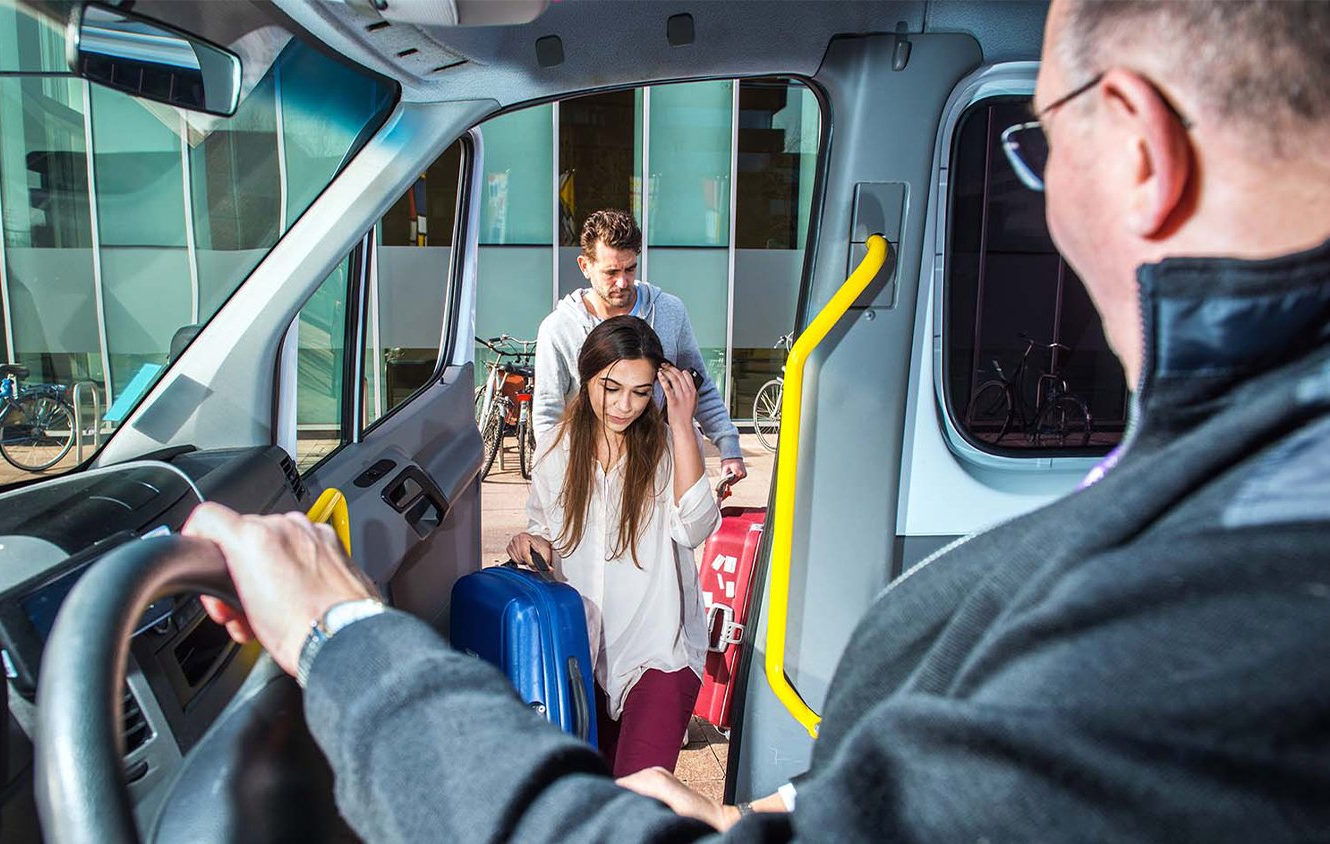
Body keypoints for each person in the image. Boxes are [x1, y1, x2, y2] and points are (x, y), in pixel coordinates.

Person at [188, 0, 1330, 838]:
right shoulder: (1242, 480)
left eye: (1036, 145)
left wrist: (341, 632)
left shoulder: (1244, 591)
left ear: (1135, 148)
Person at [504, 316, 719, 778]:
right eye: (612, 387)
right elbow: (543, 530)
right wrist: (530, 542)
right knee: (594, 800)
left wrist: (682, 426)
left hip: (659, 653)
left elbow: (697, 526)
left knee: (639, 796)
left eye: (641, 392)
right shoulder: (555, 451)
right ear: (587, 377)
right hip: (581, 659)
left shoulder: (667, 446)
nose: (625, 405)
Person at [534, 208, 749, 484]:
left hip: (661, 465)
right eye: (611, 272)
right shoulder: (559, 328)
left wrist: (729, 447)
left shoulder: (669, 311)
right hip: (593, 472)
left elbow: (698, 384)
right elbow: (548, 413)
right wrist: (550, 479)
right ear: (585, 266)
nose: (622, 282)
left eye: (630, 268)